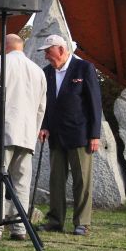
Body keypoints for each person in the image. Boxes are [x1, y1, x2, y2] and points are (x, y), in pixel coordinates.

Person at [0, 34, 47, 241]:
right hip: (26, 135)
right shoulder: (38, 71)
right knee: (21, 184)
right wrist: (33, 133)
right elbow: (41, 108)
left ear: (5, 46)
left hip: (2, 132)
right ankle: (19, 229)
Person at [37, 34, 102, 236]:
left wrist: (94, 135)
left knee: (81, 180)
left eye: (49, 51)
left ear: (62, 50)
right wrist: (44, 125)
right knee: (56, 180)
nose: (46, 56)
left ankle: (82, 222)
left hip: (80, 135)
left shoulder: (84, 68)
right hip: (56, 136)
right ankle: (55, 220)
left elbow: (94, 103)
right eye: (45, 52)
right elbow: (44, 104)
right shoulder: (46, 73)